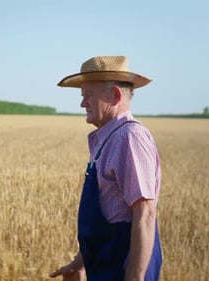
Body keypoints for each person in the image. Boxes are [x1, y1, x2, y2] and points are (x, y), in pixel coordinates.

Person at [49, 56, 162, 281]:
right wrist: (81, 262)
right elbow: (110, 215)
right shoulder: (108, 138)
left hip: (122, 266)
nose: (83, 104)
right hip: (105, 264)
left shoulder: (129, 138)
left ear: (115, 95)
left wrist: (135, 275)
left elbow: (145, 213)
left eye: (88, 96)